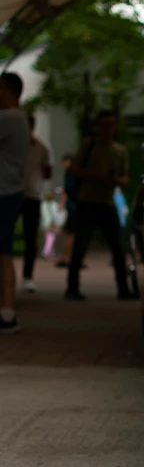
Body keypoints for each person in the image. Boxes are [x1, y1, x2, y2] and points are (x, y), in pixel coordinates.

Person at [65, 110, 136, 301]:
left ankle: (123, 288)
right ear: (98, 126)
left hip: (108, 202)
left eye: (111, 124)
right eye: (103, 124)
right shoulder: (89, 145)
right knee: (80, 245)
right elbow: (74, 169)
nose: (107, 128)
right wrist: (98, 177)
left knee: (118, 248)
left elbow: (125, 178)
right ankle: (72, 288)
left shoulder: (119, 150)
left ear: (115, 126)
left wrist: (113, 180)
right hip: (88, 200)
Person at [0, 72, 30, 333]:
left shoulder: (8, 118)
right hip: (11, 192)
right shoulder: (18, 118)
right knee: (4, 252)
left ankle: (7, 311)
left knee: (3, 254)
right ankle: (6, 310)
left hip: (4, 193)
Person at [21, 113, 54, 291]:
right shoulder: (12, 145)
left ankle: (28, 276)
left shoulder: (41, 147)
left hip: (32, 195)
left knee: (30, 238)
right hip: (13, 193)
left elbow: (49, 170)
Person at [56, 154, 78, 267]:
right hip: (77, 206)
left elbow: (67, 190)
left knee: (69, 233)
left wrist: (62, 203)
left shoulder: (70, 173)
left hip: (73, 207)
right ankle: (73, 258)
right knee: (74, 233)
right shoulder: (79, 172)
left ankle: (66, 257)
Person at [40, 190, 60, 259]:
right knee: (49, 238)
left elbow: (57, 215)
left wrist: (55, 223)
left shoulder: (55, 204)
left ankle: (47, 252)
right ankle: (49, 252)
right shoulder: (43, 204)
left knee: (50, 238)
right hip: (45, 224)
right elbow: (41, 214)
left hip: (53, 223)